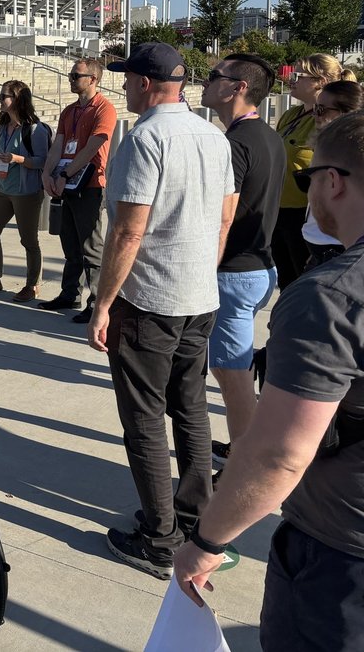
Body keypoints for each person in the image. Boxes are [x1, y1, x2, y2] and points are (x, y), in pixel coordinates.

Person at [174, 112, 364, 651]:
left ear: (333, 180)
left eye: (307, 180)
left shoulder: (331, 297)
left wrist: (207, 541)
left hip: (341, 558)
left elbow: (279, 454)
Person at [88, 43, 235, 579]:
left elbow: (129, 229)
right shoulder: (212, 136)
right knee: (190, 406)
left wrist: (103, 303)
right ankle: (197, 514)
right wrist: (201, 272)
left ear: (148, 84)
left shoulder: (145, 138)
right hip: (199, 296)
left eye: (129, 79)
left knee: (144, 415)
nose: (124, 87)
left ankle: (159, 536)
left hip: (149, 299)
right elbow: (224, 219)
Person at [199, 54, 285, 471]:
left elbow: (222, 216)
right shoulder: (266, 136)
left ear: (238, 88)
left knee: (232, 377)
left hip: (235, 272)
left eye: (215, 76)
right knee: (233, 371)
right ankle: (246, 449)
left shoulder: (233, 144)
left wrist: (205, 269)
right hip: (257, 268)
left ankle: (245, 466)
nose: (206, 80)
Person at [39, 57, 118, 323]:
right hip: (66, 183)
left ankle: (96, 302)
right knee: (69, 243)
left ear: (93, 79)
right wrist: (46, 174)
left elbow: (92, 148)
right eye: (71, 75)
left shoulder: (104, 109)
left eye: (76, 75)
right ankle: (69, 293)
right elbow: (58, 145)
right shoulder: (69, 111)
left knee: (91, 246)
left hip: (89, 185)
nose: (71, 79)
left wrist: (64, 173)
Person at [272, 54, 357, 289]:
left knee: (306, 287)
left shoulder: (329, 121)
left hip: (308, 215)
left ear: (320, 81)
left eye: (298, 75)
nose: (290, 79)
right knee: (287, 285)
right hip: (281, 211)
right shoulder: (291, 115)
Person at [0, 80, 51, 301]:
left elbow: (43, 161)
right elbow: (2, 152)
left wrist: (18, 159)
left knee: (29, 241)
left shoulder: (35, 129)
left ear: (17, 99)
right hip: (4, 189)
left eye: (3, 96)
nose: (0, 100)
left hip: (27, 192)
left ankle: (32, 285)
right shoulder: (3, 126)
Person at [301, 80, 364, 270]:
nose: (315, 114)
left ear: (347, 113)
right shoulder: (328, 145)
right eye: (315, 108)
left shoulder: (349, 154)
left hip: (337, 248)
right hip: (316, 246)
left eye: (322, 109)